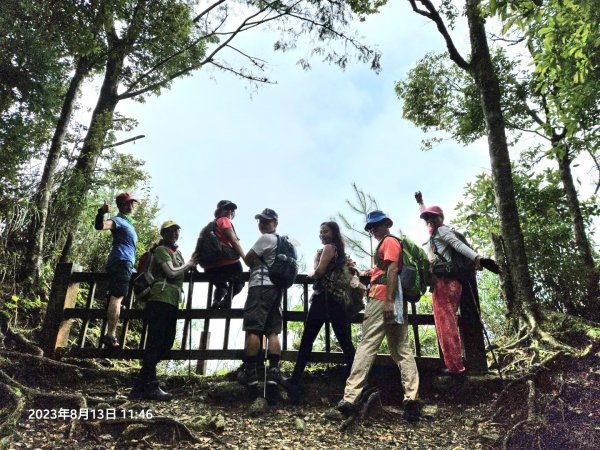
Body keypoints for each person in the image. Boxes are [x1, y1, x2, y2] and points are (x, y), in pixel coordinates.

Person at [328, 210, 420, 422]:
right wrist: (368, 273)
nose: (374, 230)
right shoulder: (391, 243)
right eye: (371, 227)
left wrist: (387, 300)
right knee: (401, 349)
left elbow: (393, 269)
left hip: (383, 299)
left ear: (387, 224)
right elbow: (386, 269)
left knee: (368, 345)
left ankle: (351, 397)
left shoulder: (389, 241)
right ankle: (411, 398)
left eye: (377, 225)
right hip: (394, 300)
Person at [415, 191, 498, 383]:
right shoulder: (435, 232)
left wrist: (478, 258)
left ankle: (456, 368)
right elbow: (427, 221)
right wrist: (421, 204)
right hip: (451, 283)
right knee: (448, 322)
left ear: (441, 218)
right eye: (427, 218)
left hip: (445, 282)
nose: (429, 221)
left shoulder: (443, 231)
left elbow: (458, 246)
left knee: (446, 325)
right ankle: (455, 364)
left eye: (432, 217)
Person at [285, 221, 356, 403]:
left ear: (333, 233)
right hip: (337, 301)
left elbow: (319, 272)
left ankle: (294, 382)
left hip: (323, 299)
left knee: (307, 339)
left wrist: (310, 274)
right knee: (345, 341)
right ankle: (357, 382)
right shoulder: (339, 251)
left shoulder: (329, 248)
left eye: (325, 231)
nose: (322, 235)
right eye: (320, 232)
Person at [129, 220, 196, 400]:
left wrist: (190, 265)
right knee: (156, 341)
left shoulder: (178, 253)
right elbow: (172, 273)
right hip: (159, 298)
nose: (174, 233)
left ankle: (139, 386)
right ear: (163, 233)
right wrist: (189, 264)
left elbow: (180, 272)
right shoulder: (160, 250)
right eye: (170, 231)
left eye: (176, 230)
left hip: (172, 301)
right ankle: (150, 385)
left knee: (166, 342)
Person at [237, 208, 287, 391]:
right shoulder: (284, 242)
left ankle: (250, 373)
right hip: (276, 288)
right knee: (273, 331)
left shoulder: (266, 238)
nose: (262, 224)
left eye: (266, 221)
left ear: (275, 223)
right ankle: (273, 372)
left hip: (260, 286)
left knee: (253, 329)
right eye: (260, 221)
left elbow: (248, 260)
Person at [94, 192, 139, 348]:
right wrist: (101, 212)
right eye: (129, 203)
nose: (132, 206)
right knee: (116, 297)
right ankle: (110, 336)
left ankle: (112, 326)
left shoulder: (128, 223)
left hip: (123, 263)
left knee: (117, 298)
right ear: (121, 206)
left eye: (133, 203)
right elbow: (100, 226)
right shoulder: (118, 220)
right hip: (121, 262)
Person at [201, 200, 245, 309]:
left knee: (221, 286)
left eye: (232, 210)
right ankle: (226, 301)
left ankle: (216, 301)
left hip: (209, 266)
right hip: (227, 263)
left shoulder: (207, 228)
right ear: (219, 210)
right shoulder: (224, 220)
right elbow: (234, 240)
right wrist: (245, 258)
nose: (230, 211)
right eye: (227, 208)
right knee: (240, 282)